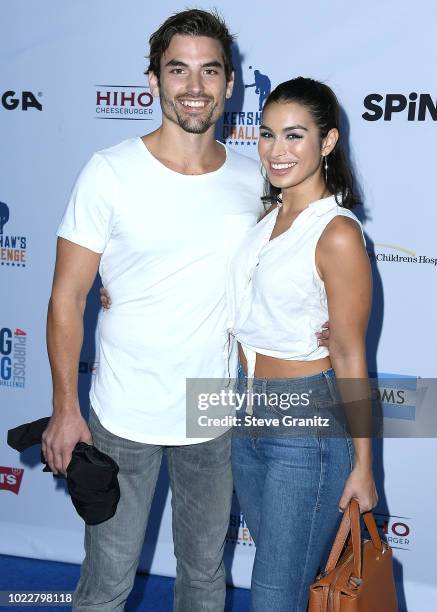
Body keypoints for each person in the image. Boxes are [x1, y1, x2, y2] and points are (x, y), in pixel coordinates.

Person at [227, 77, 378, 611]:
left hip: (305, 428)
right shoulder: (267, 218)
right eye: (267, 135)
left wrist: (364, 465)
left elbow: (351, 355)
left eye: (295, 136)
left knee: (272, 597)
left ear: (328, 142)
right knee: (279, 587)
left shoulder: (336, 232)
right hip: (245, 415)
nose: (276, 150)